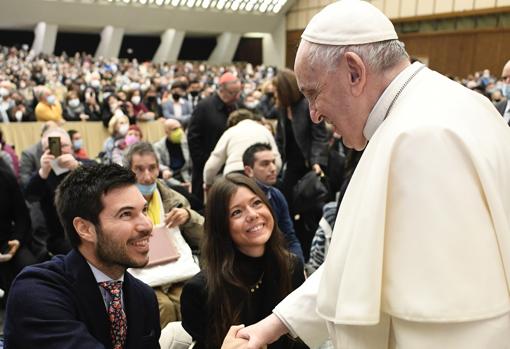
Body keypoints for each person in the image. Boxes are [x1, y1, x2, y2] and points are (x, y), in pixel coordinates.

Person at [238, 0, 510, 348]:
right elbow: (362, 263)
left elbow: (446, 326)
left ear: (354, 72)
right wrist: (272, 325)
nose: (315, 115)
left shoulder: (421, 138)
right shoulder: (441, 108)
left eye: (313, 93)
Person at [4, 163, 161, 348]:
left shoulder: (143, 296)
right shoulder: (36, 290)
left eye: (143, 210)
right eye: (126, 214)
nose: (147, 225)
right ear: (85, 229)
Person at [180, 174, 307, 349]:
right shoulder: (199, 290)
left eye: (256, 203)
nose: (253, 215)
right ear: (221, 226)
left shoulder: (291, 266)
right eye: (237, 212)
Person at [125, 142, 204, 328]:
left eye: (152, 168)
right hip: (139, 272)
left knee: (185, 300)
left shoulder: (175, 200)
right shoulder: (120, 203)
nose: (147, 176)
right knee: (163, 307)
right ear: (128, 170)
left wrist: (189, 217)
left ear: (159, 168)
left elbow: (205, 237)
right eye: (139, 169)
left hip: (176, 269)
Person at [243, 142, 303, 262]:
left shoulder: (276, 195)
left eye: (273, 162)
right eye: (265, 164)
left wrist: (299, 265)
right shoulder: (239, 198)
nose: (273, 168)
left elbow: (290, 237)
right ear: (249, 171)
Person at [187, 72, 241, 204]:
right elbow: (193, 137)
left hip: (228, 168)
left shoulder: (235, 106)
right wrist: (206, 162)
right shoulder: (204, 107)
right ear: (222, 90)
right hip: (205, 168)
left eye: (238, 93)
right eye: (233, 93)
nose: (236, 97)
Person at [203, 109, 282, 190]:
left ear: (232, 124)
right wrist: (273, 175)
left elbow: (213, 162)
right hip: (258, 177)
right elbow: (277, 160)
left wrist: (207, 183)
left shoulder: (229, 132)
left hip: (234, 176)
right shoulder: (264, 130)